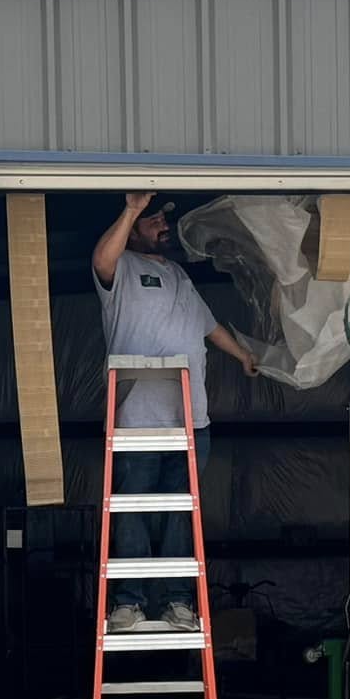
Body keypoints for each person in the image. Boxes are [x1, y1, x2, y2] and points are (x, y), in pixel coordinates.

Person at [92, 191, 259, 631]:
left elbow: (208, 326)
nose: (164, 228)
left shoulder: (181, 276)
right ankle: (127, 603)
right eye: (155, 222)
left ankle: (177, 602)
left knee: (180, 516)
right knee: (133, 513)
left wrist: (241, 354)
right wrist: (129, 209)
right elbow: (101, 258)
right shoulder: (122, 269)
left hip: (190, 423)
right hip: (139, 422)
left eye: (164, 222)